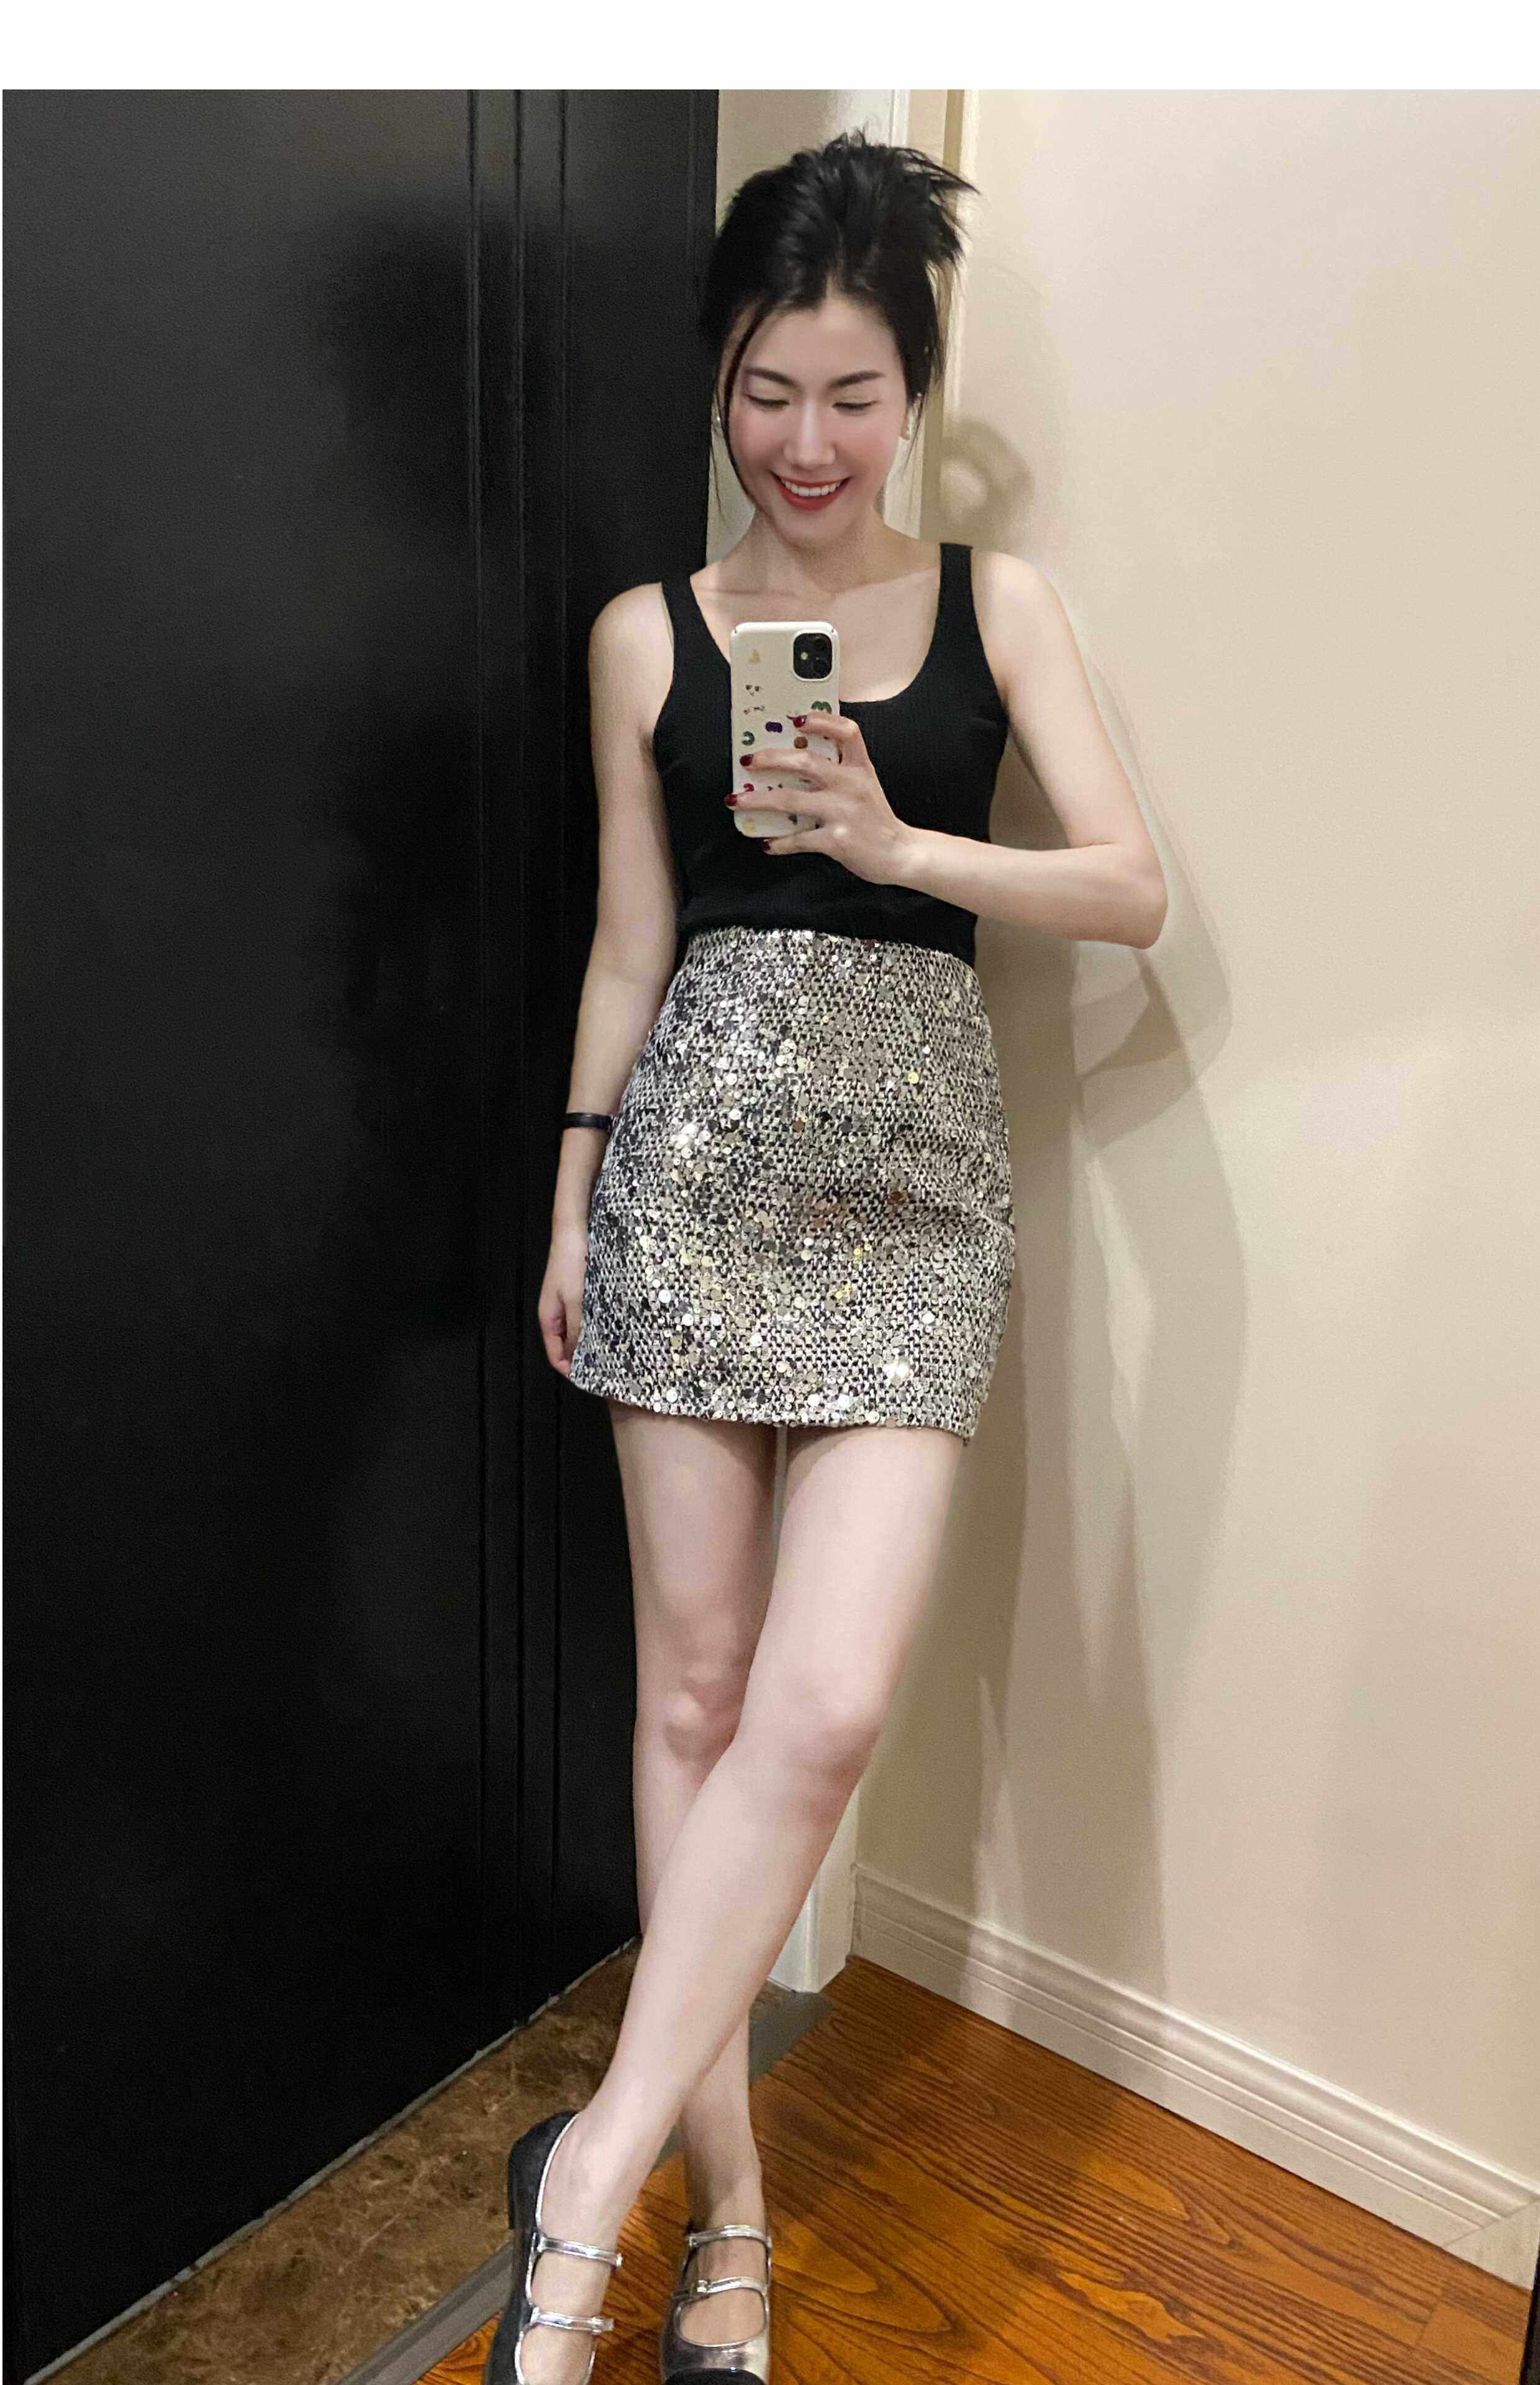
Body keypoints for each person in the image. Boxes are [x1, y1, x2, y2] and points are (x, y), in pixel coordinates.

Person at [488, 130, 1167, 2385]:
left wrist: (897, 839)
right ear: (719, 379)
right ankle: (728, 2222)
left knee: (827, 1702)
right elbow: (630, 945)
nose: (805, 441)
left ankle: (585, 2176)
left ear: (914, 394)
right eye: (766, 390)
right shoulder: (643, 636)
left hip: (915, 1197)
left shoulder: (1001, 609)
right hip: (687, 1170)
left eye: (853, 395)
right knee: (694, 1702)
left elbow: (1130, 890)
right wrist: (576, 1191)